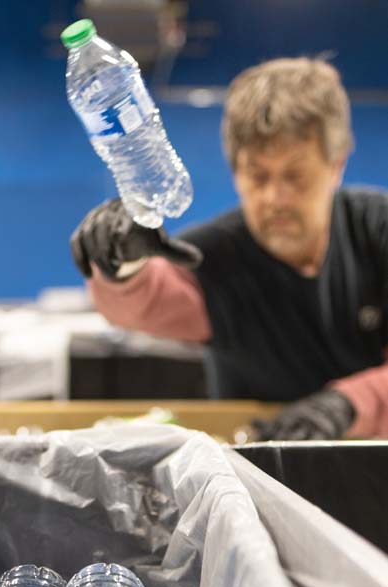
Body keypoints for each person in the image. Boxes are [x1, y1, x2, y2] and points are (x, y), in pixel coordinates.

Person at [70, 57, 388, 440]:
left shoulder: (378, 231)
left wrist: (348, 405)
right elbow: (144, 301)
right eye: (257, 176)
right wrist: (120, 263)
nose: (275, 197)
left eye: (295, 176)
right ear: (235, 172)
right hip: (256, 461)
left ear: (336, 165)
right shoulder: (213, 257)